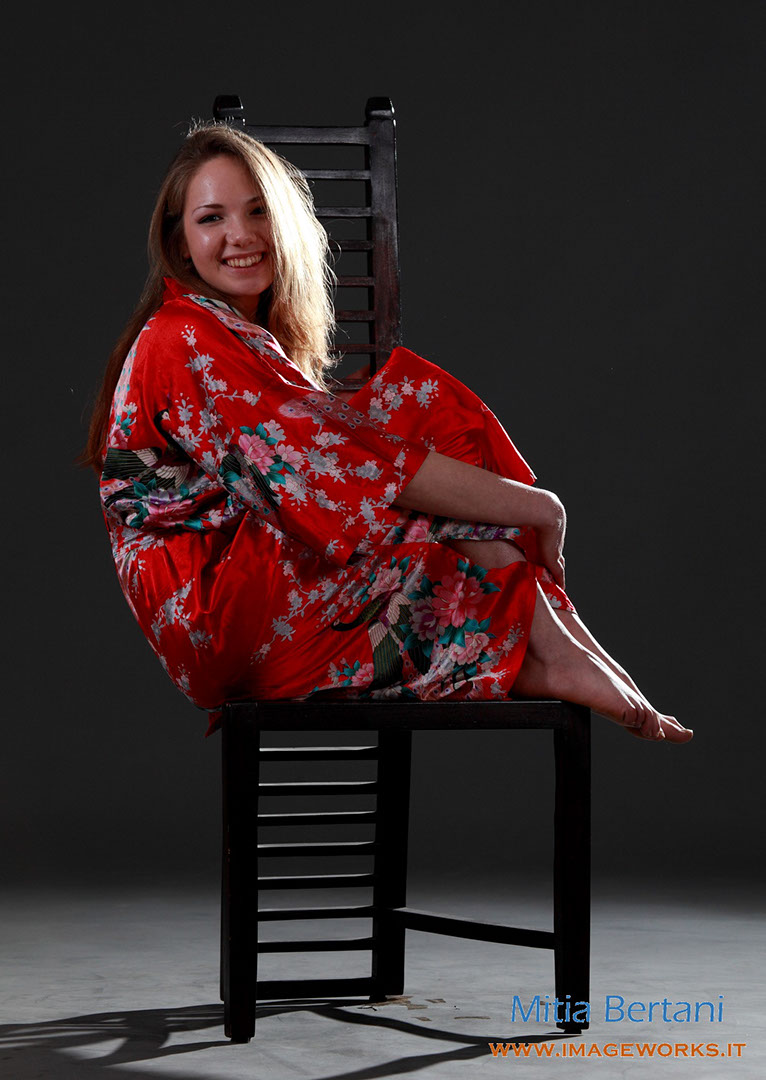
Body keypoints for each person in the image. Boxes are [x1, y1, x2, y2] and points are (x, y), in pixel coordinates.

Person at [84, 122, 692, 744]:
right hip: (216, 611)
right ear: (181, 244)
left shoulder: (232, 334)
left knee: (420, 447)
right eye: (211, 218)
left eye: (259, 210)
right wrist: (539, 508)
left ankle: (551, 651)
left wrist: (517, 523)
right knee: (417, 414)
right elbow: (338, 468)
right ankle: (557, 649)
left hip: (248, 587)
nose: (241, 235)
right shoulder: (183, 337)